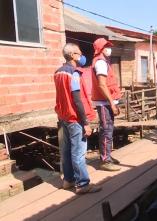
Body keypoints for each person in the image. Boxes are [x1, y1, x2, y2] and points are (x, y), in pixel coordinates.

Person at [54, 43, 101, 194]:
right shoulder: (73, 73)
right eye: (79, 54)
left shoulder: (58, 72)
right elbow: (77, 99)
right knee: (78, 153)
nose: (81, 56)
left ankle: (68, 180)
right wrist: (85, 122)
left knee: (67, 151)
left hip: (63, 117)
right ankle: (82, 184)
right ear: (73, 55)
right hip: (74, 118)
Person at [91, 38, 122, 171]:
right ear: (100, 49)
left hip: (107, 101)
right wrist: (112, 104)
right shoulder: (101, 63)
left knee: (107, 130)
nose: (109, 49)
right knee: (106, 130)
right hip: (104, 103)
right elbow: (102, 85)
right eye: (106, 47)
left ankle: (106, 155)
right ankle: (105, 160)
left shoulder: (104, 62)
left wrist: (114, 102)